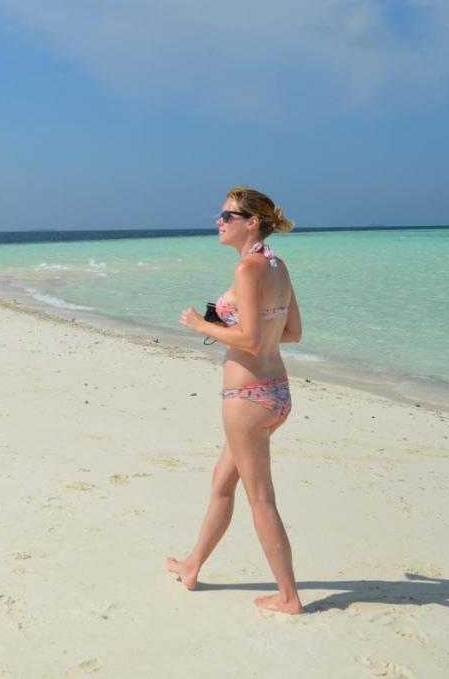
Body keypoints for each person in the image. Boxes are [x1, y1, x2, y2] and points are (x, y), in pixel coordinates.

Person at [170, 186, 305, 615]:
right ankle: (192, 565)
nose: (218, 221)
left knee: (260, 498)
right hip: (276, 392)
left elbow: (247, 338)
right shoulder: (277, 266)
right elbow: (292, 332)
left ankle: (288, 597)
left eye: (227, 216)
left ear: (252, 223)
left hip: (247, 399)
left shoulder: (249, 270)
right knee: (222, 484)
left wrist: (200, 326)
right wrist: (248, 331)